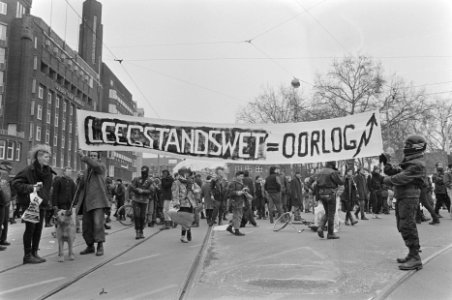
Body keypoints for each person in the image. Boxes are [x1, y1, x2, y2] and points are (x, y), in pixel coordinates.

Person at [381, 135, 427, 271]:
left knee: (407, 224)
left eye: (407, 145)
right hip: (403, 196)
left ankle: (415, 257)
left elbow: (400, 177)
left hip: (409, 197)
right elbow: (395, 171)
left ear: (415, 147)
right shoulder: (411, 162)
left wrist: (384, 180)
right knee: (402, 225)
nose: (405, 148)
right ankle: (412, 253)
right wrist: (387, 161)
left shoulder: (417, 164)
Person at [12, 144, 55, 264]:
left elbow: (47, 189)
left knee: (38, 229)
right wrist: (31, 187)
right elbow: (15, 183)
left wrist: (48, 200)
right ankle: (27, 255)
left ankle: (35, 252)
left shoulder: (48, 172)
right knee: (30, 229)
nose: (48, 159)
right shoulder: (28, 170)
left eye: (48, 157)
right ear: (39, 157)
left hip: (42, 203)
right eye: (46, 157)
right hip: (32, 203)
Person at [76, 150, 110, 256]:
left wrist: (85, 157)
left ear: (98, 158)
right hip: (87, 202)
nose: (93, 157)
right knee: (86, 226)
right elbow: (82, 187)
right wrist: (80, 180)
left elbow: (95, 165)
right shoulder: (87, 171)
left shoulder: (101, 167)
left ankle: (100, 246)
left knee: (98, 224)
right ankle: (90, 246)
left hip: (98, 201)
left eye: (94, 156)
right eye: (91, 155)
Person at [315, 161, 344, 239]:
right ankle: (330, 233)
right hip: (330, 193)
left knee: (327, 213)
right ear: (332, 164)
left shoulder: (320, 171)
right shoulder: (333, 172)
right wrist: (339, 174)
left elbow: (314, 183)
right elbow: (341, 182)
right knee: (331, 214)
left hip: (321, 194)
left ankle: (320, 227)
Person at [172, 167, 195, 243]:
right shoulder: (177, 182)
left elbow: (195, 192)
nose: (187, 174)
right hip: (182, 204)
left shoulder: (190, 182)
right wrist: (176, 203)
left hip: (190, 203)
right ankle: (183, 237)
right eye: (186, 173)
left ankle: (188, 231)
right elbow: (175, 194)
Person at [130, 166, 153, 239]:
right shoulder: (136, 179)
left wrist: (143, 191)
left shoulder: (149, 181)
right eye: (142, 171)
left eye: (145, 171)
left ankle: (141, 231)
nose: (144, 173)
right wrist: (137, 189)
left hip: (144, 201)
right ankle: (137, 231)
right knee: (137, 216)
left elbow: (152, 190)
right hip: (136, 200)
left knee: (142, 217)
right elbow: (132, 187)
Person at [226, 171, 246, 236]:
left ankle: (230, 227)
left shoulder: (240, 183)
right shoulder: (233, 183)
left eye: (242, 176)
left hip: (240, 201)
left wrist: (245, 190)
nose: (242, 177)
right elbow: (230, 193)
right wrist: (238, 192)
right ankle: (236, 230)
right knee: (237, 216)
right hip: (235, 202)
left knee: (238, 216)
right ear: (237, 176)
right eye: (241, 176)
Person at [0, 162, 13, 250]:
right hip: (4, 200)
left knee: (3, 221)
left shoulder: (5, 174)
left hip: (5, 200)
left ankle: (3, 239)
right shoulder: (5, 174)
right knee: (3, 221)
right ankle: (3, 239)